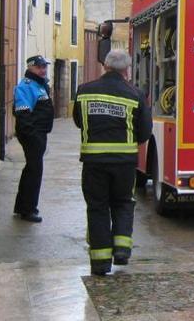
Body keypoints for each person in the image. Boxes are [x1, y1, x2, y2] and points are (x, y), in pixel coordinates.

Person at [73, 50, 152, 276]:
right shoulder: (136, 94)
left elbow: (79, 122)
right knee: (123, 202)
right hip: (124, 164)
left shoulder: (84, 91)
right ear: (127, 70)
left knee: (97, 208)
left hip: (94, 162)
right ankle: (122, 251)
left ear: (105, 66)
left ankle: (99, 263)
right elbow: (145, 133)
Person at [13, 55, 55, 223]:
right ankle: (28, 210)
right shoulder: (26, 86)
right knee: (34, 171)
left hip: (39, 134)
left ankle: (22, 206)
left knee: (31, 169)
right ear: (30, 68)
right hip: (32, 135)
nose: (43, 70)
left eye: (44, 66)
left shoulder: (40, 84)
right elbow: (22, 114)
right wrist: (33, 136)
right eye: (39, 67)